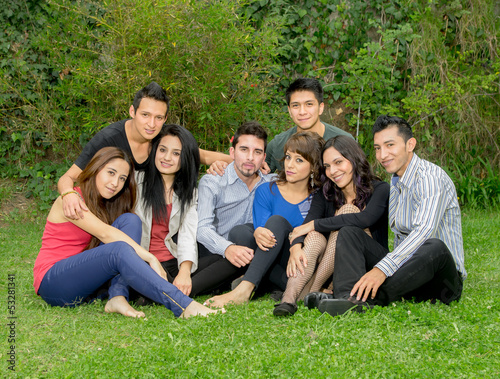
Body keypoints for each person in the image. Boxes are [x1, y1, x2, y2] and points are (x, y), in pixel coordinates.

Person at [34, 147, 219, 319]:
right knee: (119, 249)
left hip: (84, 282)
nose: (115, 183)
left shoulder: (106, 204)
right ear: (95, 169)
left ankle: (117, 295)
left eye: (122, 178)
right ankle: (183, 305)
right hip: (54, 282)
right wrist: (151, 258)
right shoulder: (71, 200)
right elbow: (106, 235)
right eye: (111, 173)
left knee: (130, 221)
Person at [310, 115, 466, 317]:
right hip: (408, 274)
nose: (382, 154)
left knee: (434, 246)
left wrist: (381, 269)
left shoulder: (430, 178)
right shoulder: (395, 182)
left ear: (410, 144)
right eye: (377, 148)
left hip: (442, 280)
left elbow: (424, 233)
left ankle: (363, 300)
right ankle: (347, 297)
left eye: (390, 145)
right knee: (349, 233)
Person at [58, 81, 231, 220]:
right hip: (112, 210)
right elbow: (68, 177)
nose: (151, 124)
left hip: (149, 211)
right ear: (132, 111)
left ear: (165, 118)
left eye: (158, 118)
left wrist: (248, 161)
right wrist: (68, 194)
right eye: (145, 115)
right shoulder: (108, 139)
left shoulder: (162, 137)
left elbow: (203, 155)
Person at [205, 132, 324, 308]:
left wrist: (294, 246)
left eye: (299, 160)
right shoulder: (268, 190)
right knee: (240, 233)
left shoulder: (318, 199)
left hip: (297, 266)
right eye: (288, 157)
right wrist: (259, 230)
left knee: (277, 221)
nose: (290, 165)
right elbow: (262, 230)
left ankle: (247, 287)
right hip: (269, 258)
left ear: (314, 166)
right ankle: (256, 285)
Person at [273, 136, 389, 316]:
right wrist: (295, 247)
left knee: (348, 210)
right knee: (314, 237)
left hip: (366, 263)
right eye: (327, 166)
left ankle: (314, 289)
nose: (333, 171)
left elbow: (365, 219)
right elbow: (303, 228)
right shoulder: (326, 193)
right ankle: (288, 299)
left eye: (338, 162)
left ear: (354, 159)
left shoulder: (380, 189)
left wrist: (314, 224)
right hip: (330, 268)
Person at [135, 124, 220, 297]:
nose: (167, 158)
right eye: (163, 150)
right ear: (154, 151)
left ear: (186, 158)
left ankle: (171, 289)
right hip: (142, 261)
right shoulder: (136, 182)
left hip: (172, 261)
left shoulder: (190, 192)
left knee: (226, 260)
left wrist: (185, 271)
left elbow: (188, 234)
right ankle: (173, 291)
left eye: (176, 153)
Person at [206, 77, 352, 175]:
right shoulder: (279, 143)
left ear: (320, 107)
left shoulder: (343, 140)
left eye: (309, 104)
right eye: (296, 105)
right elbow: (253, 164)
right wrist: (220, 164)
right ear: (289, 110)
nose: (302, 112)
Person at [194, 121, 275, 294]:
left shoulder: (272, 183)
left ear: (264, 158)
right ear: (232, 152)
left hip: (251, 252)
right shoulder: (213, 181)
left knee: (245, 233)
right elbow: (202, 229)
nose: (250, 157)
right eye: (244, 149)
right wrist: (227, 248)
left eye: (257, 152)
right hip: (216, 254)